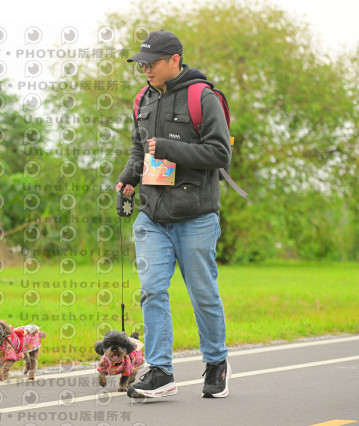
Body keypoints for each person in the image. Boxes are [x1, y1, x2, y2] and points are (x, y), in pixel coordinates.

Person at [115, 30, 232, 399]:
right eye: (142, 65)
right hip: (152, 216)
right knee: (152, 291)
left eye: (152, 63)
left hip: (195, 216)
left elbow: (220, 154)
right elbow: (139, 149)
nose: (146, 70)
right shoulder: (143, 99)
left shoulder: (202, 97)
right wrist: (128, 177)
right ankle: (160, 371)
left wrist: (168, 148)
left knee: (203, 295)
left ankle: (216, 362)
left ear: (175, 60)